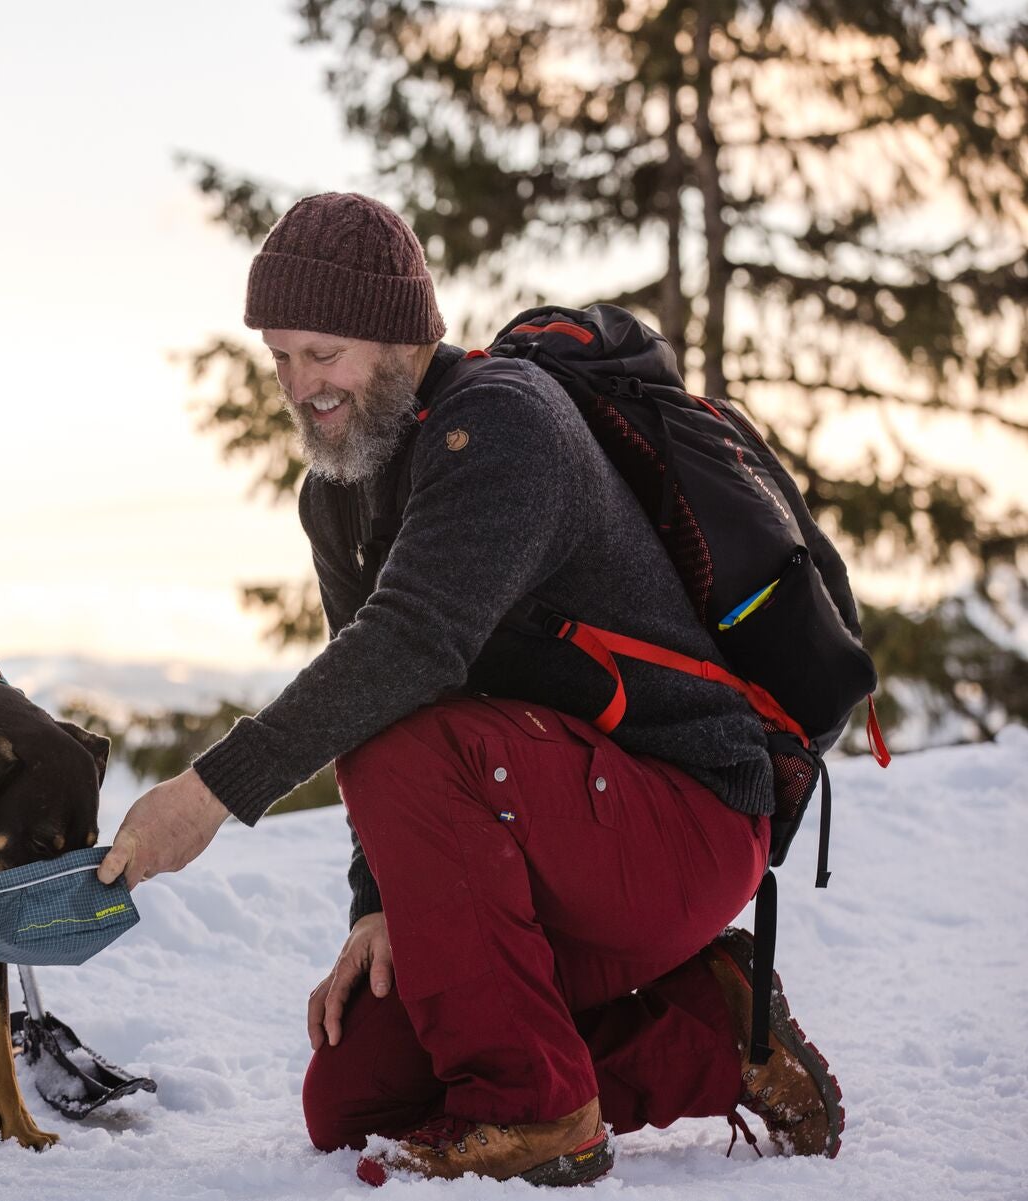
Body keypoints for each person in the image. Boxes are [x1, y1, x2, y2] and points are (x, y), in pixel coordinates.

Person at [96, 192, 844, 1185]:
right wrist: (378, 901)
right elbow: (371, 685)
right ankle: (720, 1034)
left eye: (323, 353)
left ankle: (541, 1115)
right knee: (354, 1096)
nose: (299, 384)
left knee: (398, 740)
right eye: (279, 357)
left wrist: (207, 794)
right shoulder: (337, 497)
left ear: (402, 334)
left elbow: (408, 650)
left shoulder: (505, 427)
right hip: (542, 827)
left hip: (687, 819)